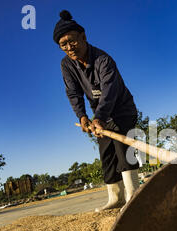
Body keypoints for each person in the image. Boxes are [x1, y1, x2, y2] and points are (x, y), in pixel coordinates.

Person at [53, 10, 139, 211]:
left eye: (72, 41)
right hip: (98, 116)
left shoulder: (103, 59)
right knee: (106, 153)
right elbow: (73, 93)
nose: (69, 47)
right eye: (63, 45)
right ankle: (115, 198)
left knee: (122, 148)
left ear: (83, 37)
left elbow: (109, 91)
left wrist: (98, 117)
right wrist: (82, 116)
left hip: (121, 110)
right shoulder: (66, 64)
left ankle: (133, 197)